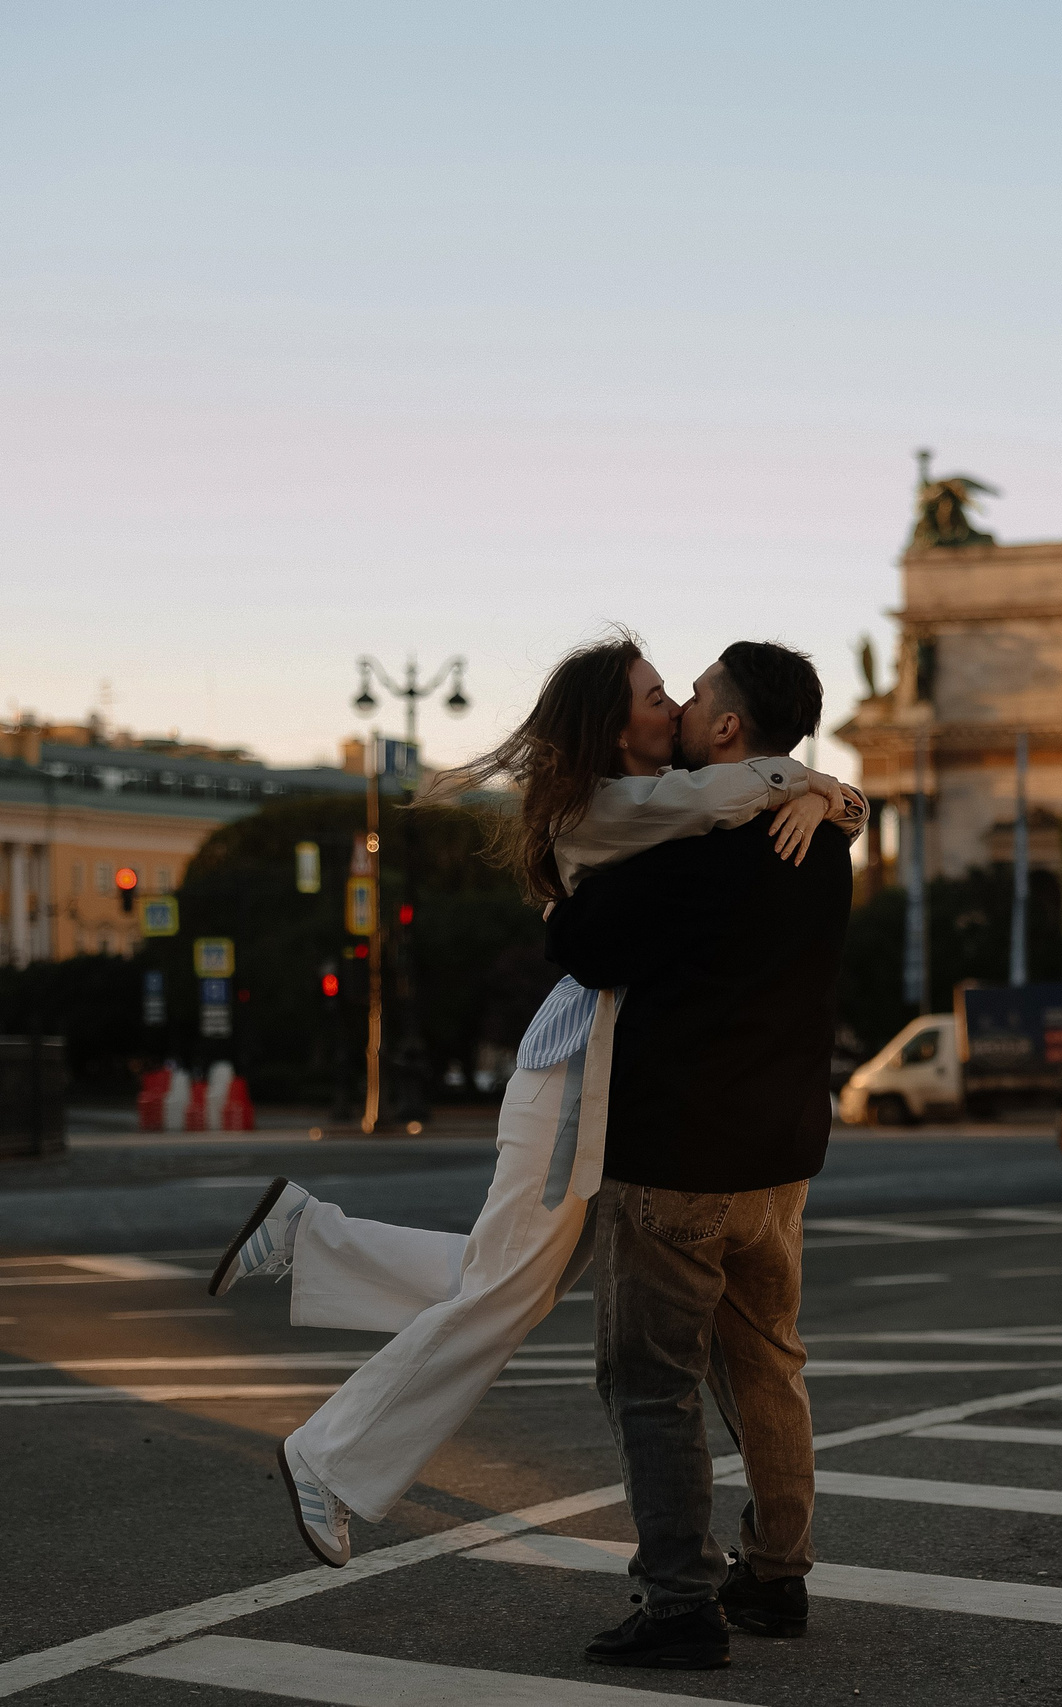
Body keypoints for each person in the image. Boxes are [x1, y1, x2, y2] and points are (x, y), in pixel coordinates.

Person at [204, 631, 864, 1571]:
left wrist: (826, 791)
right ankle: (329, 1457)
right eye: (652, 693)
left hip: (593, 1070)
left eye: (676, 691)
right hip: (572, 1077)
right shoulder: (614, 805)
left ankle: (305, 1235)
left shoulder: (658, 803)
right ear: (615, 724)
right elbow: (713, 801)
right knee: (505, 1296)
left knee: (505, 1279)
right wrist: (812, 785)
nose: (670, 702)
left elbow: (718, 804)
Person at [546, 641, 849, 1671]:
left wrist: (564, 898)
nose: (678, 705)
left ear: (725, 729)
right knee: (767, 1363)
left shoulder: (689, 844)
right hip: (778, 1158)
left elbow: (589, 949)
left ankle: (679, 1602)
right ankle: (775, 1576)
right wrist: (836, 794)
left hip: (678, 1155)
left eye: (695, 694)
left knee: (652, 1384)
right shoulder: (819, 831)